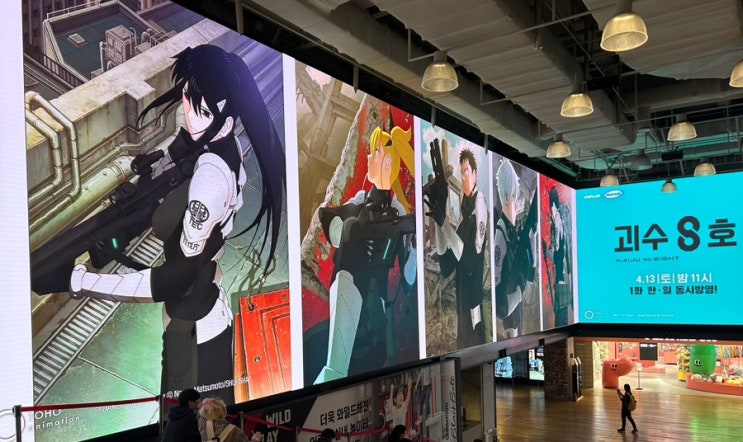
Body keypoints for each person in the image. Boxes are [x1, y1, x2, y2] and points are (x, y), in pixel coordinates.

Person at [66, 44, 285, 402]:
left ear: (227, 119)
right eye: (186, 98)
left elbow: (174, 278)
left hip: (195, 331)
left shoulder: (210, 178)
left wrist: (84, 282)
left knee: (190, 422)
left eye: (201, 110)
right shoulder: (221, 146)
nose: (188, 114)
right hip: (202, 322)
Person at [315, 124, 417, 382]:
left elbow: (408, 281)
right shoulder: (361, 201)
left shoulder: (399, 213)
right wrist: (357, 227)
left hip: (376, 315)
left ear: (388, 163)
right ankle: (333, 370)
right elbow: (329, 218)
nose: (369, 158)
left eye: (375, 152)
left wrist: (415, 248)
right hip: (350, 302)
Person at [426, 143, 489, 348]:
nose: (463, 178)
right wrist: (439, 223)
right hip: (462, 307)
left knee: (475, 350)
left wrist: (444, 224)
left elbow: (469, 257)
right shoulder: (465, 215)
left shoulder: (480, 207)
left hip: (473, 306)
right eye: (461, 173)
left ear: (475, 174)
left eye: (467, 172)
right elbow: (447, 263)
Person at [493, 159, 537, 340]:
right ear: (507, 195)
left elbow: (531, 274)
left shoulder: (512, 233)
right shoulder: (501, 233)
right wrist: (519, 292)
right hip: (509, 324)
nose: (517, 201)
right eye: (514, 196)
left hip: (517, 319)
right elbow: (500, 304)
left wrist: (531, 241)